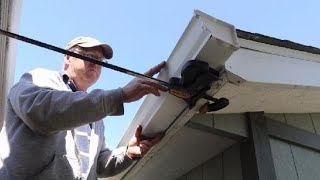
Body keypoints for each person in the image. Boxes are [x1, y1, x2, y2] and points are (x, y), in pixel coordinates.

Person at [0, 36, 167, 180]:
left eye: (100, 61)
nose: (95, 63)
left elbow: (99, 165)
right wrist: (119, 96)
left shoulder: (97, 114)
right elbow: (41, 113)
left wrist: (128, 153)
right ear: (67, 57)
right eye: (88, 55)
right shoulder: (38, 77)